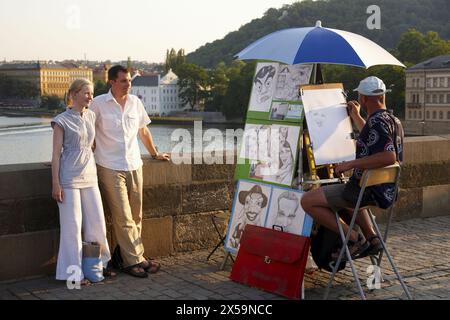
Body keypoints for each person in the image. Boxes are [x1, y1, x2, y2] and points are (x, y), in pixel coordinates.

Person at [301, 76, 404, 260]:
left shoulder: (377, 122)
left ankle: (355, 239)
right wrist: (356, 116)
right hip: (385, 190)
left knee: (307, 201)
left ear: (363, 99)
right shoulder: (392, 120)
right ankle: (372, 238)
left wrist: (350, 164)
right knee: (347, 192)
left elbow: (389, 156)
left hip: (365, 192)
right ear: (383, 96)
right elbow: (374, 138)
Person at [90, 65, 170, 278]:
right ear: (112, 82)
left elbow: (143, 131)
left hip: (134, 164)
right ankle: (135, 260)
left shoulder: (135, 103)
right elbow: (85, 132)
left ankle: (122, 257)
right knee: (123, 216)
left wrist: (154, 153)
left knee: (136, 216)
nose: (128, 84)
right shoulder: (98, 104)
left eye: (129, 81)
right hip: (109, 166)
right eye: (124, 80)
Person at [51, 79, 111, 285]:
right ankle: (73, 274)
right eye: (86, 93)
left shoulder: (91, 116)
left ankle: (97, 265)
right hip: (68, 179)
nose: (90, 97)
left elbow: (89, 145)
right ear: (74, 94)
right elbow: (56, 155)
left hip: (90, 175)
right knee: (72, 228)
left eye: (92, 93)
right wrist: (55, 184)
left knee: (97, 223)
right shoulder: (61, 120)